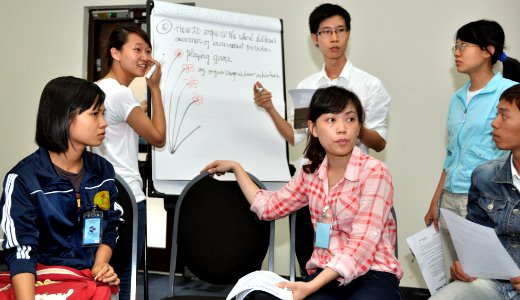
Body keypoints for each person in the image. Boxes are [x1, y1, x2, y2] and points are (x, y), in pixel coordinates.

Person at [203, 86, 402, 300]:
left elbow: (362, 245)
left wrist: (310, 286)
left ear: (359, 126)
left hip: (372, 273)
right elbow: (269, 207)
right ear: (313, 128)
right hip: (325, 275)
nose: (342, 128)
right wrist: (237, 168)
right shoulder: (311, 173)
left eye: (350, 119)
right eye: (331, 120)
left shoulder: (374, 172)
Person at [0, 76, 122, 300]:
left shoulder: (103, 172)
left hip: (86, 279)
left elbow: (110, 227)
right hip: (39, 280)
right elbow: (21, 251)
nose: (104, 122)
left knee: (107, 290)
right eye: (95, 114)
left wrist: (101, 265)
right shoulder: (23, 179)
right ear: (64, 117)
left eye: (103, 113)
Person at [424, 20, 520, 278]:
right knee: (449, 276)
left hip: (483, 200)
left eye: (464, 45)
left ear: (488, 50)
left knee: (479, 277)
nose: (456, 52)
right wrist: (437, 198)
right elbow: (452, 152)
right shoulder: (457, 98)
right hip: (450, 197)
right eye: (455, 46)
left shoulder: (508, 94)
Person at [90, 25, 166, 300]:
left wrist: (140, 109)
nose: (145, 56)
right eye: (136, 49)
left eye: (148, 50)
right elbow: (158, 137)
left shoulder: (96, 89)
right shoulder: (121, 94)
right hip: (128, 196)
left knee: (102, 269)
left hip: (101, 194)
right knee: (125, 276)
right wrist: (155, 89)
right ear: (115, 53)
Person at [253, 3, 390, 153]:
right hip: (313, 172)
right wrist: (270, 108)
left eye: (340, 30)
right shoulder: (307, 85)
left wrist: (352, 123)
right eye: (326, 32)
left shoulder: (371, 85)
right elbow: (295, 136)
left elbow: (379, 144)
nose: (334, 38)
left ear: (348, 33)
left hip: (353, 173)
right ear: (314, 38)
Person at [429, 84, 520, 299]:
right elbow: (475, 243)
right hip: (493, 284)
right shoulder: (485, 175)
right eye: (496, 113)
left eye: (504, 116)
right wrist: (463, 266)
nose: (494, 123)